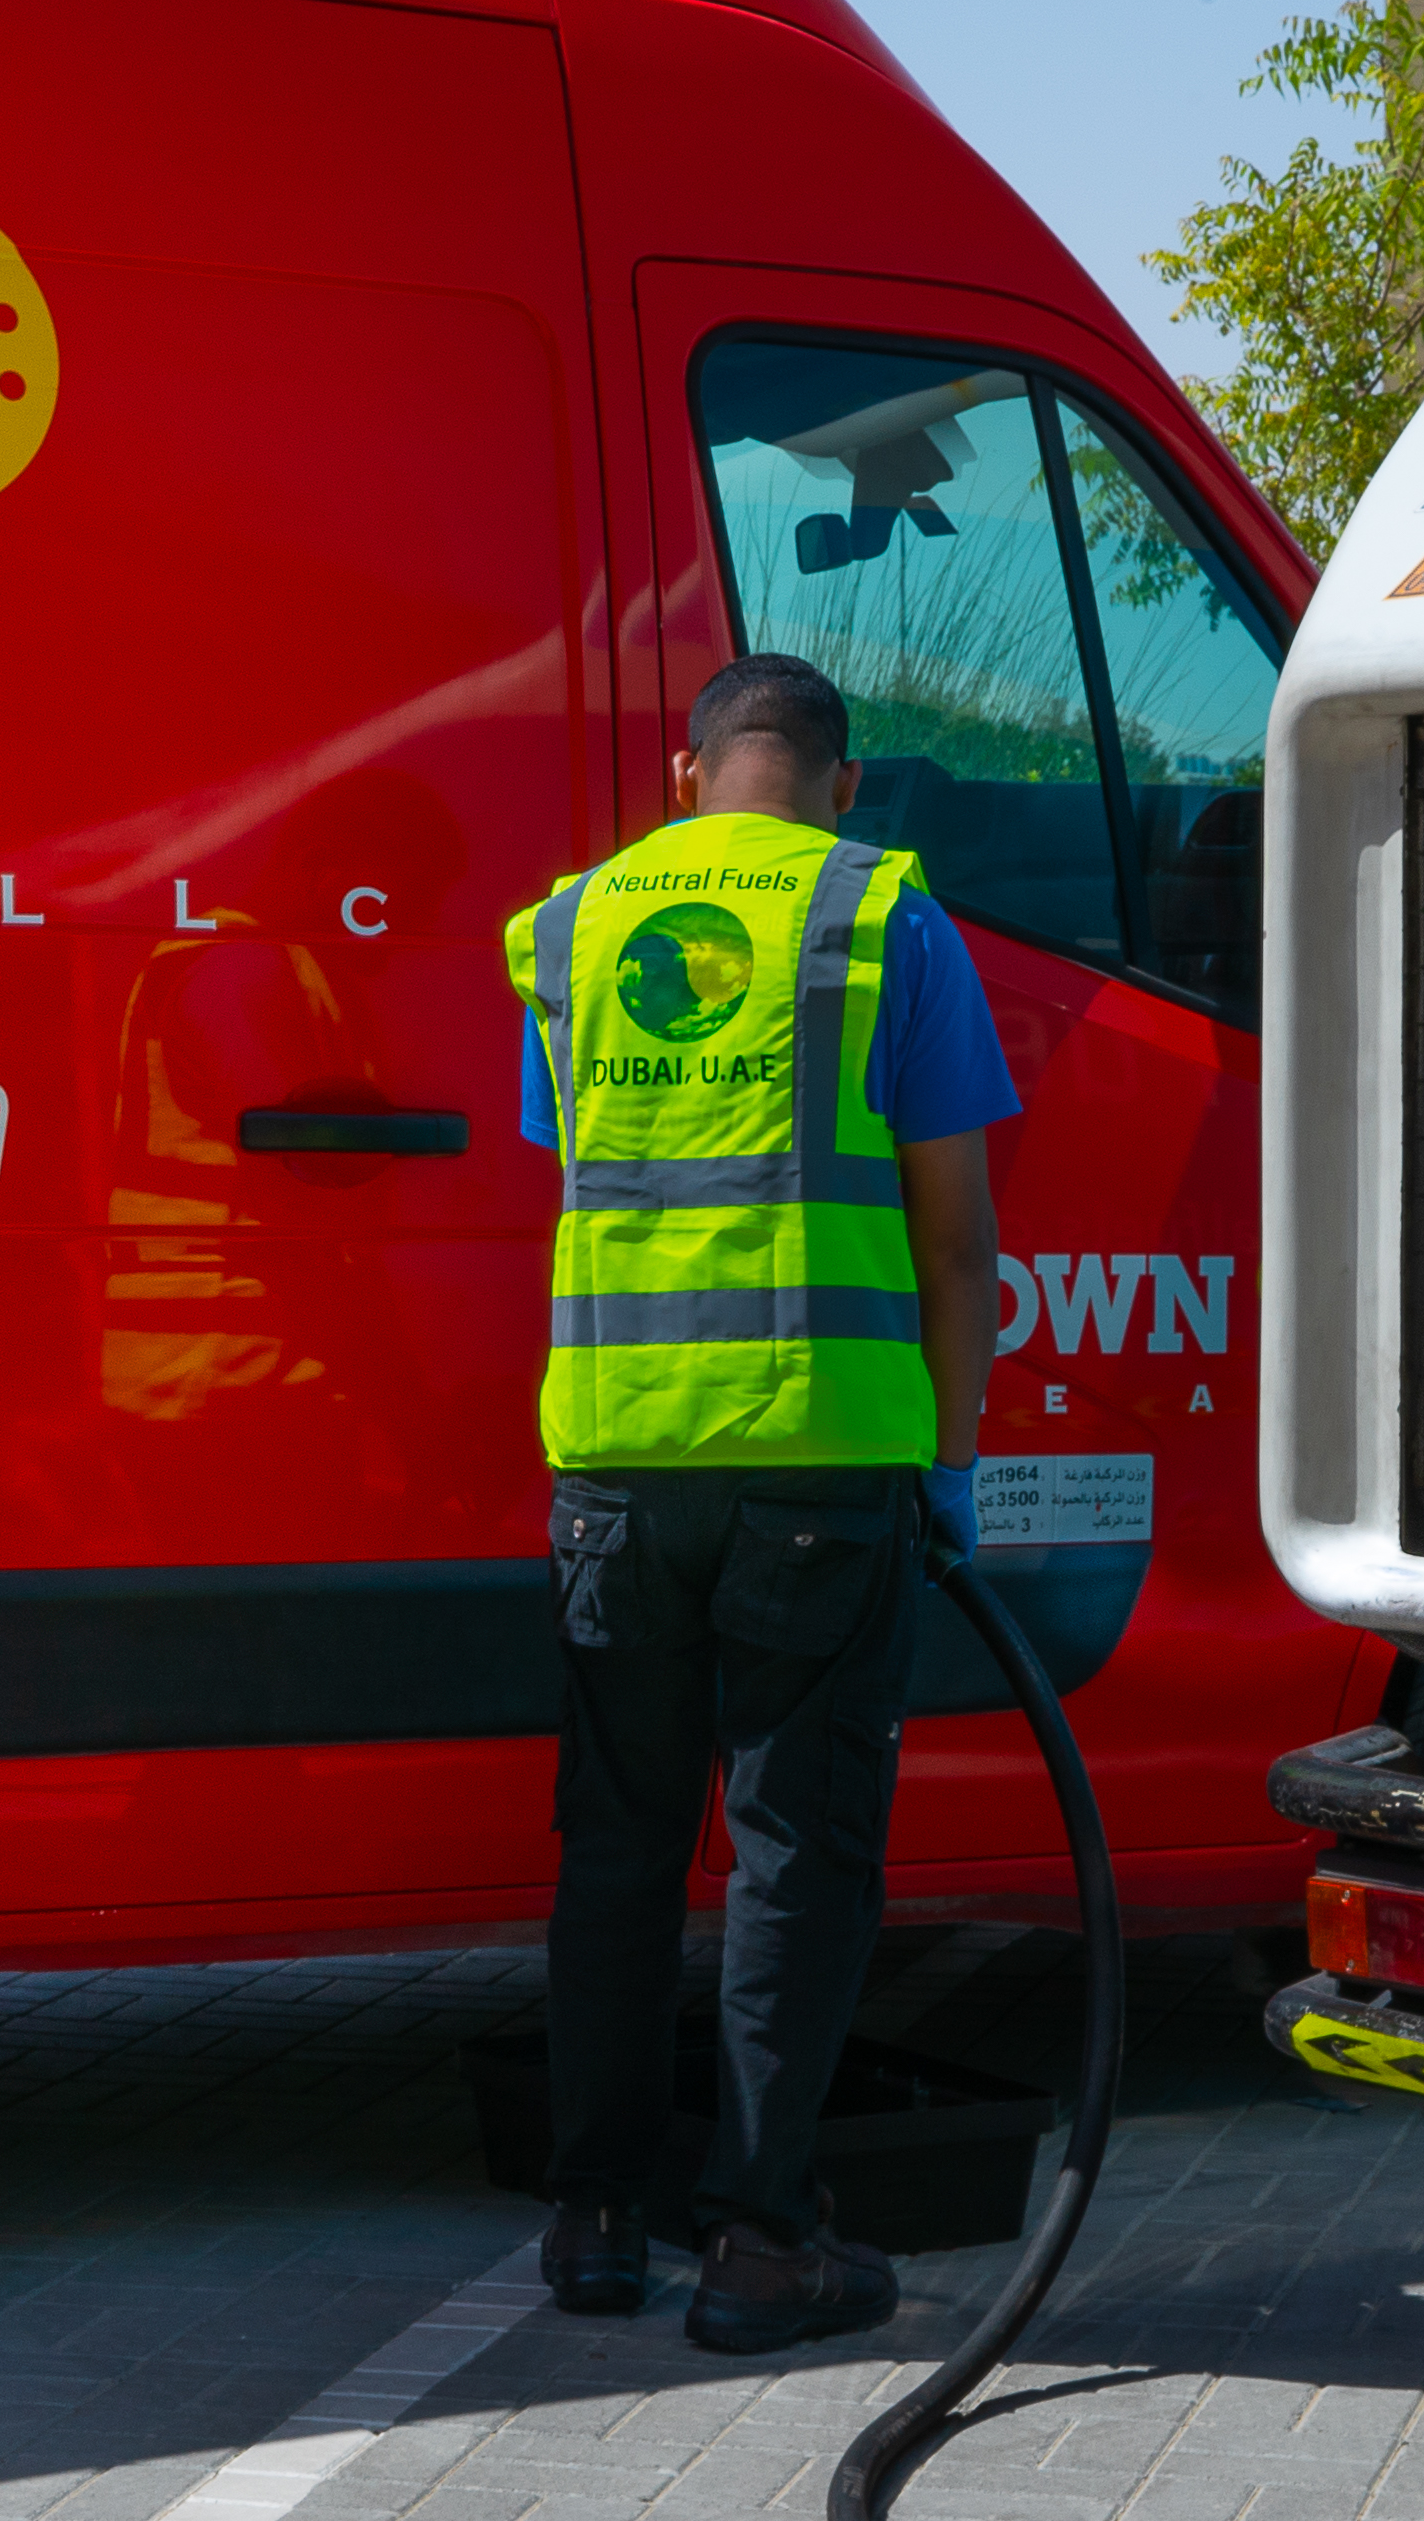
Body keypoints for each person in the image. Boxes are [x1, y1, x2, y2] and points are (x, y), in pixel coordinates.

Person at [498, 651, 1018, 2355]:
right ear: (842, 781)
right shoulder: (883, 921)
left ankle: (592, 2221)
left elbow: (575, 1174)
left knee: (621, 1845)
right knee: (795, 1854)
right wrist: (949, 1465)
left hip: (619, 1460)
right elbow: (956, 1237)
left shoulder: (577, 934)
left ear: (686, 769)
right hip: (819, 1457)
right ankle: (762, 2245)